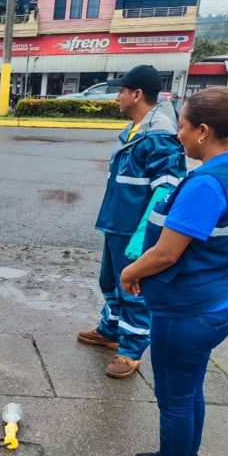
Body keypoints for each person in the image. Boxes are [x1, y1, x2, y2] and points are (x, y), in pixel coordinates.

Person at [117, 87, 228, 456]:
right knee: (190, 388)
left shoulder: (207, 183)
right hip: (214, 301)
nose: (177, 136)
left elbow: (166, 253)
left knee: (175, 397)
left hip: (188, 311)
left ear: (202, 130)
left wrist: (130, 272)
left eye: (181, 128)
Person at [77, 65, 187, 379]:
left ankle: (131, 351)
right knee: (109, 283)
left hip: (134, 230)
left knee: (133, 289)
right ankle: (110, 331)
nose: (118, 98)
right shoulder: (136, 129)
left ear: (136, 94)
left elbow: (167, 188)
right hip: (117, 224)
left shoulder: (160, 136)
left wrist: (143, 235)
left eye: (122, 91)